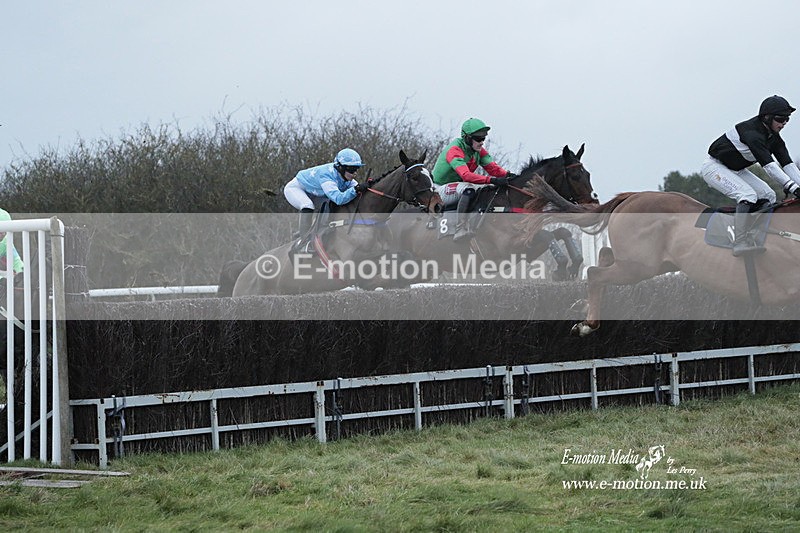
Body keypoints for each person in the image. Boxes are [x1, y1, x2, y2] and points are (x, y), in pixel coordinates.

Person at [701, 95, 800, 256]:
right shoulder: (752, 134)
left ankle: (754, 233)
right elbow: (770, 167)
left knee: (768, 195)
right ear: (767, 118)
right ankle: (739, 241)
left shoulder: (774, 138)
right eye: (780, 119)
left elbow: (788, 166)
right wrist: (793, 188)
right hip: (715, 168)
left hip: (736, 170)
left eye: (787, 120)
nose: (783, 124)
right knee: (747, 195)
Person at [432, 118, 514, 241]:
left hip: (456, 186)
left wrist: (511, 176)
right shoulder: (454, 150)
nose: (481, 142)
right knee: (469, 189)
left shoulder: (478, 151)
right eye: (478, 138)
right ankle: (460, 228)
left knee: (489, 189)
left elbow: (494, 169)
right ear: (467, 138)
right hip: (438, 190)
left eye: (483, 138)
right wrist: (492, 180)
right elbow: (466, 175)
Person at [283, 148, 368, 252]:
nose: (354, 173)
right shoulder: (326, 175)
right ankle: (304, 243)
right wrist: (355, 190)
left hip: (315, 192)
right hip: (296, 189)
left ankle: (313, 231)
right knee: (307, 205)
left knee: (329, 206)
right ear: (340, 167)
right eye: (351, 169)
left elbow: (357, 190)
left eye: (356, 169)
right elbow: (339, 199)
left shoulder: (346, 177)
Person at [0, 209, 23, 279]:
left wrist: (21, 273)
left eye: (5, 231)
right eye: (0, 232)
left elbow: (17, 262)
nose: (3, 234)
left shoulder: (5, 241)